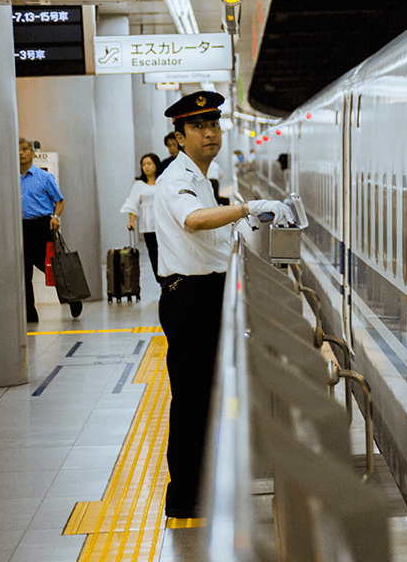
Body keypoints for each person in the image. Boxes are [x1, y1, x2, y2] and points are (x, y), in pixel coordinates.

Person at [154, 90, 292, 519]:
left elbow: (211, 237)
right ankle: (185, 499)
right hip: (189, 300)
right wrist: (247, 207)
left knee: (204, 397)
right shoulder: (177, 178)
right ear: (178, 136)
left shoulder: (200, 177)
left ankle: (200, 489)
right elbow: (193, 221)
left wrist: (242, 222)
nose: (210, 132)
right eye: (198, 126)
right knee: (192, 399)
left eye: (213, 124)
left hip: (205, 296)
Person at [20, 139, 81, 321]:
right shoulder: (10, 178)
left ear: (33, 153)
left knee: (51, 267)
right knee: (24, 273)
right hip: (20, 227)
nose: (21, 153)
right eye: (18, 150)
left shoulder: (44, 177)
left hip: (42, 226)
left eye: (25, 150)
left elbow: (59, 201)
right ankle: (30, 313)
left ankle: (73, 298)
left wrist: (56, 217)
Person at [120, 153, 163, 284]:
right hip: (148, 227)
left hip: (164, 225)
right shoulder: (139, 184)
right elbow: (133, 204)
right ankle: (161, 282)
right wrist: (132, 222)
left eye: (149, 164)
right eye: (143, 165)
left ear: (156, 165)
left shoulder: (163, 181)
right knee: (154, 256)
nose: (146, 167)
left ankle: (170, 282)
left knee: (167, 255)